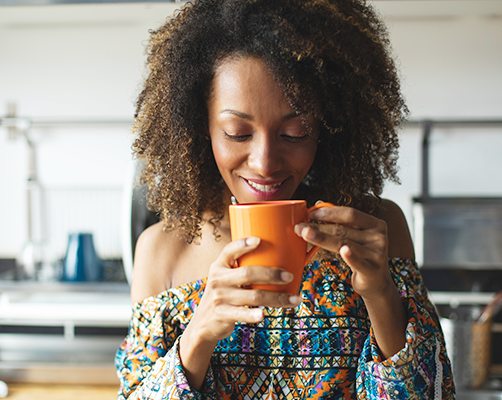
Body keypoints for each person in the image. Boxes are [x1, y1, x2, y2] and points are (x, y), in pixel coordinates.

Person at [115, 0, 455, 398]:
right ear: (199, 126)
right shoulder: (162, 251)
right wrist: (199, 334)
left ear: (328, 128)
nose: (265, 163)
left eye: (294, 133)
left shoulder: (376, 230)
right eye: (238, 133)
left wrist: (380, 294)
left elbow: (433, 395)